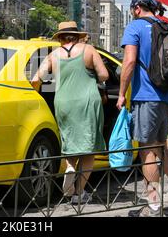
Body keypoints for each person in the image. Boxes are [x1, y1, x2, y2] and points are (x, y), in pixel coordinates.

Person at [117, 0, 168, 217]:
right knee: (162, 147)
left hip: (145, 98)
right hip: (167, 98)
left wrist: (122, 94)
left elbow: (129, 61)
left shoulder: (135, 27)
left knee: (147, 151)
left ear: (137, 8)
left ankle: (153, 206)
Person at [31, 21, 109, 205]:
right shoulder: (88, 50)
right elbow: (105, 74)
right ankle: (79, 193)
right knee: (89, 149)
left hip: (63, 102)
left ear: (59, 37)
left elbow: (36, 79)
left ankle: (69, 167)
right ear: (77, 35)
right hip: (87, 101)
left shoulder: (53, 55)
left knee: (69, 140)